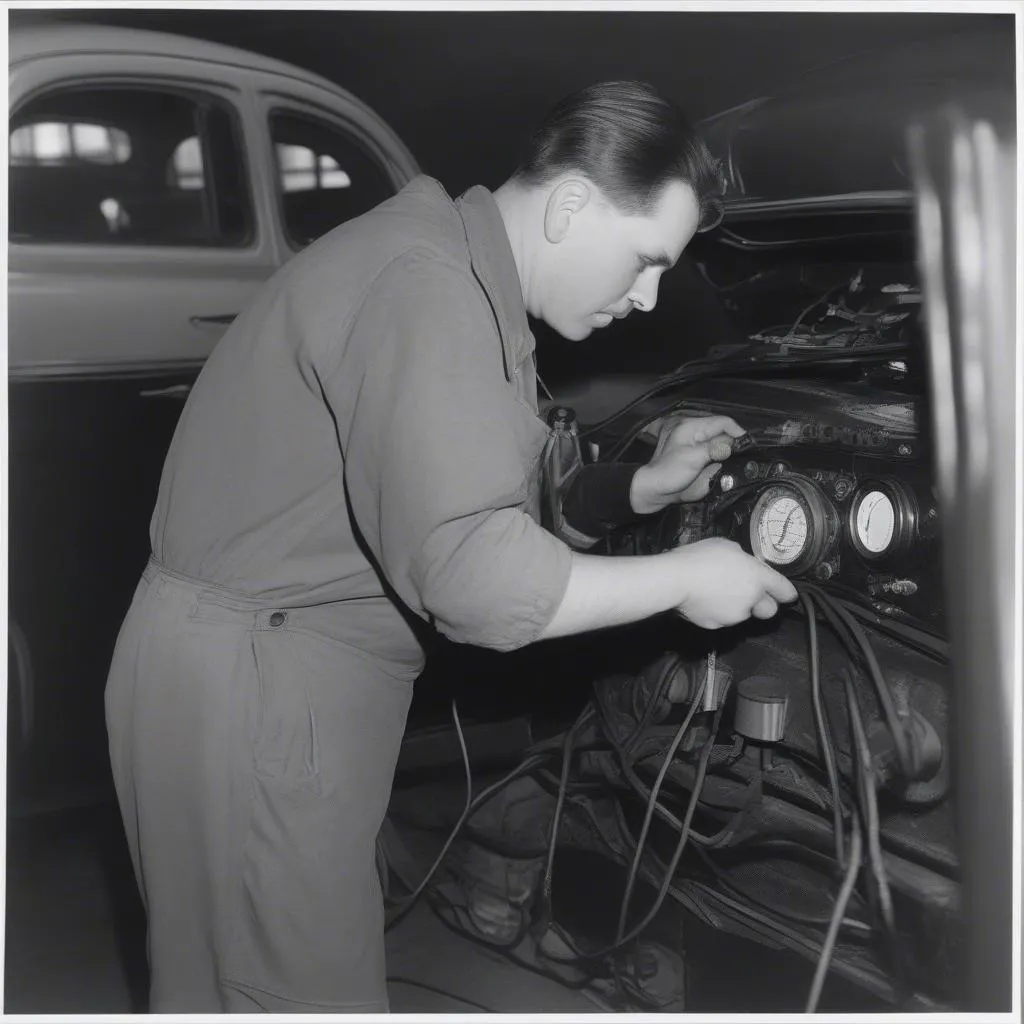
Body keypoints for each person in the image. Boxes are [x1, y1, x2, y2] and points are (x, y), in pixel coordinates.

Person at [104, 80, 797, 1012]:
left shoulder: (461, 278)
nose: (647, 297)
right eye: (646, 260)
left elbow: (477, 499)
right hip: (256, 688)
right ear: (570, 205)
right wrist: (683, 578)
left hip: (262, 680)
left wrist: (633, 489)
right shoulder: (425, 286)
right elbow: (472, 579)